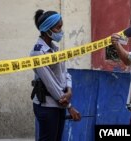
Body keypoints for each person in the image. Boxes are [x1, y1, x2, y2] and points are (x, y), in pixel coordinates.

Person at [31, 9, 81, 141]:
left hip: (60, 103)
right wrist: (69, 106)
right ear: (48, 29)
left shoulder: (55, 49)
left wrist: (69, 90)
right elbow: (50, 84)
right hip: (47, 106)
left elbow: (65, 73)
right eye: (58, 28)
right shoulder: (38, 53)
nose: (61, 31)